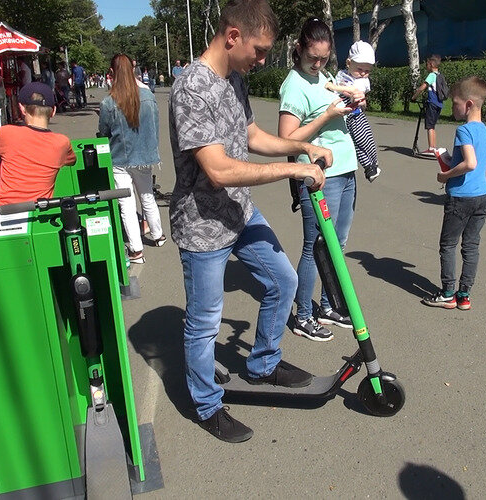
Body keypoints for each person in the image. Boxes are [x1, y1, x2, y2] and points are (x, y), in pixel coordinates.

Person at [169, 0, 330, 443]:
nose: (262, 60)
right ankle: (206, 405)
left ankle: (263, 363)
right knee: (204, 322)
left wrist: (303, 149)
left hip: (240, 213)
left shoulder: (234, 79)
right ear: (233, 35)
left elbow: (252, 136)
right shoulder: (192, 89)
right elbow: (218, 170)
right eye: (259, 51)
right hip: (203, 226)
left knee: (283, 280)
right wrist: (295, 169)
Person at [278, 18, 362, 342]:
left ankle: (327, 306)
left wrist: (349, 104)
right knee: (315, 247)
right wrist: (327, 115)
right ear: (298, 49)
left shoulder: (322, 77)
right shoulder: (294, 85)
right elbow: (286, 139)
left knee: (337, 246)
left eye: (324, 58)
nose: (317, 63)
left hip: (344, 170)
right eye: (312, 56)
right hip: (318, 176)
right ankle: (303, 314)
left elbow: (331, 108)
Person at [422, 76, 486, 311]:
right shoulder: (484, 131)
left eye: (455, 103)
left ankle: (447, 293)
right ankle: (464, 295)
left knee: (448, 244)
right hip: (482, 196)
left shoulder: (464, 130)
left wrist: (446, 175)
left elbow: (471, 163)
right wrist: (451, 161)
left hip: (461, 197)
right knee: (471, 246)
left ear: (469, 105)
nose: (452, 107)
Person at [99, 54, 167, 264]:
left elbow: (103, 132)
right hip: (144, 156)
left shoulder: (108, 102)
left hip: (119, 158)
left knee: (126, 204)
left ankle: (136, 250)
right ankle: (158, 235)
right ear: (133, 69)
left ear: (112, 72)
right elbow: (155, 126)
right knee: (147, 196)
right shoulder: (147, 96)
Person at [0, 82, 76, 212]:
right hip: (36, 213)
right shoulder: (62, 143)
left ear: (22, 108)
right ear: (53, 111)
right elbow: (71, 161)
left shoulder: (6, 133)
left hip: (2, 211)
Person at [324, 40, 380, 182]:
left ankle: (374, 163)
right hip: (348, 116)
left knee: (367, 139)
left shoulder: (363, 81)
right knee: (358, 141)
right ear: (349, 63)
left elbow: (353, 92)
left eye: (367, 71)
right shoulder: (341, 75)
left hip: (357, 115)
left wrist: (334, 87)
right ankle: (369, 167)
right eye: (360, 69)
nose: (363, 73)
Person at [410, 54, 443, 155]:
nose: (426, 66)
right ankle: (433, 147)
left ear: (432, 64)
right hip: (439, 104)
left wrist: (414, 97)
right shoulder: (440, 75)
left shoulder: (432, 75)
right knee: (432, 126)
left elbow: (422, 88)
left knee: (429, 126)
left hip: (432, 103)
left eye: (427, 64)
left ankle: (431, 149)